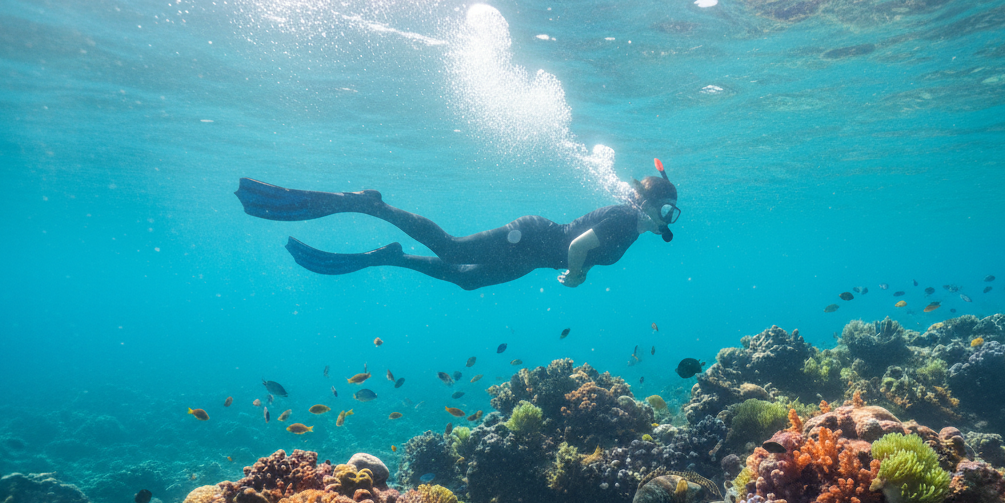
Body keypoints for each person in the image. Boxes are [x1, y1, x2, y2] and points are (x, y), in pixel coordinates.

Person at [235, 160, 680, 291]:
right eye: (665, 210)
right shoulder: (624, 218)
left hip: (530, 258)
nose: (665, 221)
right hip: (531, 237)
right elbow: (579, 246)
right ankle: (372, 205)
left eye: (670, 216)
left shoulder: (631, 228)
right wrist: (578, 275)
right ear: (648, 204)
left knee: (465, 282)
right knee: (452, 250)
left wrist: (573, 268)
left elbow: (581, 247)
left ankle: (391, 257)